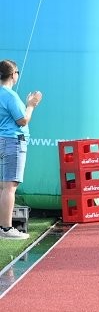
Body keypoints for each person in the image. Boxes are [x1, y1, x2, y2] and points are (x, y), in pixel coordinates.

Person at [0, 60, 42, 239]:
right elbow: (22, 120)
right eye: (17, 72)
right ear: (13, 74)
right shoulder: (10, 95)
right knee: (10, 186)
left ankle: (3, 226)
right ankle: (6, 228)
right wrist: (31, 104)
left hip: (3, 140)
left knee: (3, 186)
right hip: (12, 141)